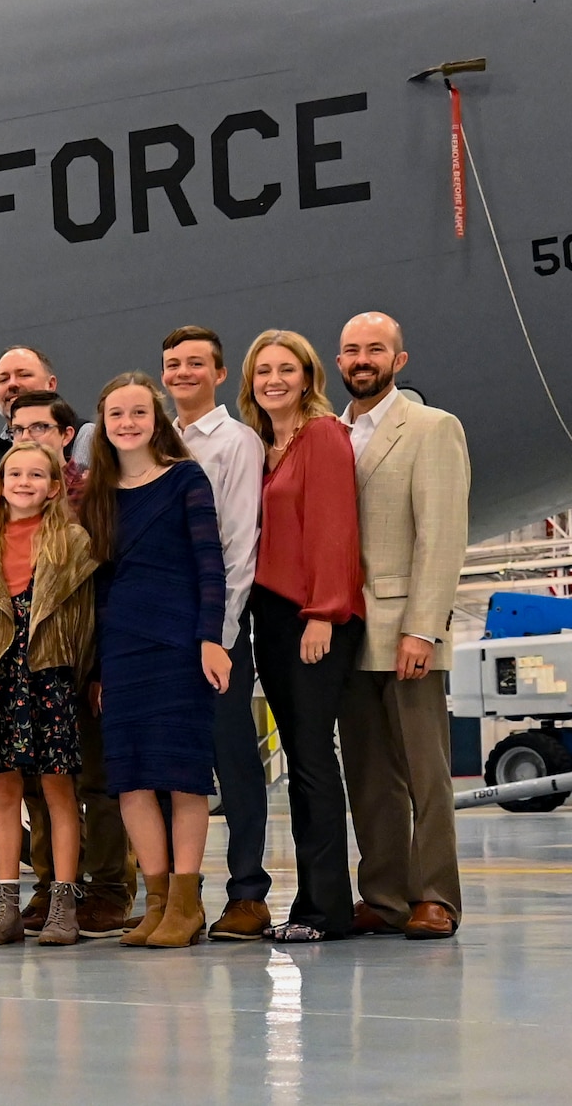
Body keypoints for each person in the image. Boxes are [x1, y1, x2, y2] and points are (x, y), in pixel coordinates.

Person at [79, 374, 230, 948]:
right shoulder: (101, 493)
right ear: (103, 423)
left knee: (182, 776)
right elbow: (102, 586)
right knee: (132, 780)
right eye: (115, 414)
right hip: (123, 647)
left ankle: (187, 905)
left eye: (138, 412)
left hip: (177, 644)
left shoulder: (186, 479)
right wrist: (97, 669)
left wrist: (209, 638)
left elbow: (210, 563)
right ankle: (159, 901)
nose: (127, 423)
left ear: (157, 417)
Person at [335, 312, 471, 941]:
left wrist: (425, 629)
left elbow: (441, 537)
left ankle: (436, 895)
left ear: (400, 359)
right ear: (339, 363)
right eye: (352, 350)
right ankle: (385, 895)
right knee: (367, 774)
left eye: (375, 350)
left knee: (426, 771)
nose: (363, 359)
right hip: (347, 630)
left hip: (405, 628)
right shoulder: (329, 434)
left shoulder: (432, 428)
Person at [241, 328, 365, 943]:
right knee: (300, 758)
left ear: (309, 376)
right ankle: (311, 902)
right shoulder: (267, 445)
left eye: (286, 369)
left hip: (313, 615)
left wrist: (323, 612)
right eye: (263, 371)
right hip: (271, 612)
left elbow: (333, 527)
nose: (274, 380)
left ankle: (327, 911)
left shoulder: (321, 436)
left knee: (314, 759)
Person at [0, 442, 97, 947]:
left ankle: (63, 902)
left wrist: (78, 677)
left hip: (50, 675)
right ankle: (7, 906)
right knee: (4, 791)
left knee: (60, 790)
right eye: (13, 474)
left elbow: (85, 621)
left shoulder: (72, 543)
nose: (23, 482)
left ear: (54, 487)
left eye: (35, 475)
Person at [161, 326, 270, 941]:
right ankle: (178, 896)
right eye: (173, 364)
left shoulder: (236, 443)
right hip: (161, 627)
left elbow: (236, 544)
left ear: (220, 374)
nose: (182, 374)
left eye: (195, 364)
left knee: (232, 760)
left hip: (215, 629)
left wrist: (219, 636)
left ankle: (248, 894)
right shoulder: (157, 441)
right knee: (171, 766)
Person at [9, 386, 130, 936]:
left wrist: (103, 666)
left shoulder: (96, 499)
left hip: (84, 663)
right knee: (37, 782)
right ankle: (53, 885)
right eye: (18, 431)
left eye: (40, 428)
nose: (28, 439)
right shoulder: (6, 508)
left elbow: (110, 588)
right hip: (30, 670)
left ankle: (108, 888)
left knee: (98, 781)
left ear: (65, 436)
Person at [0, 346, 96, 488]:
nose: (12, 384)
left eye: (24, 375)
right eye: (3, 379)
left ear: (51, 384)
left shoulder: (85, 436)